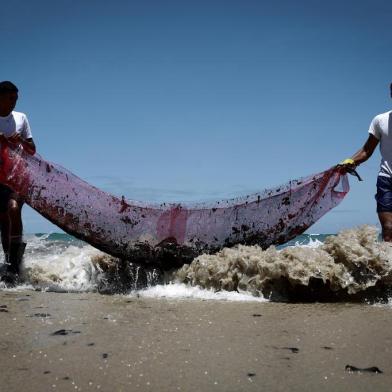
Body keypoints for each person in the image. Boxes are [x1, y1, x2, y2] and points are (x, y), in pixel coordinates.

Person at [341, 83, 392, 241]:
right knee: (388, 228)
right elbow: (366, 150)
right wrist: (350, 161)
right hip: (387, 179)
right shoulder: (381, 120)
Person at [0, 81, 36, 282]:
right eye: (10, 98)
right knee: (4, 220)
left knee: (14, 209)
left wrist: (19, 140)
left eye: (16, 99)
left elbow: (32, 149)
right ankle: (10, 263)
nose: (14, 103)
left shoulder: (21, 118)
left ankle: (14, 266)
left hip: (17, 176)